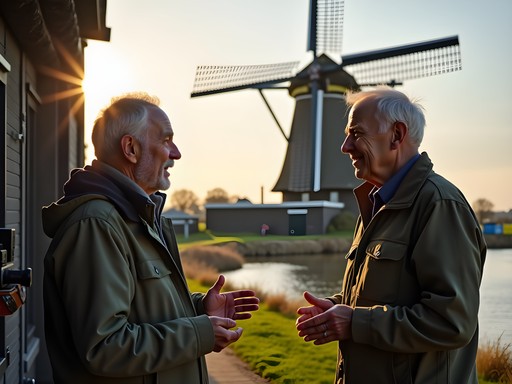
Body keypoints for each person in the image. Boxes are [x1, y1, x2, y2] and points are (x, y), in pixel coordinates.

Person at [42, 93, 259, 384]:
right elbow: (105, 347)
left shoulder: (135, 218)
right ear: (130, 148)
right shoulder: (97, 225)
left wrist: (197, 310)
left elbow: (138, 312)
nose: (176, 153)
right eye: (166, 140)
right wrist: (199, 333)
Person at [296, 87, 486, 383]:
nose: (345, 146)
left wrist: (354, 322)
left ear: (397, 135)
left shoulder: (439, 205)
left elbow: (452, 322)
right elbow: (392, 293)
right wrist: (339, 307)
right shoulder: (377, 202)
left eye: (356, 133)